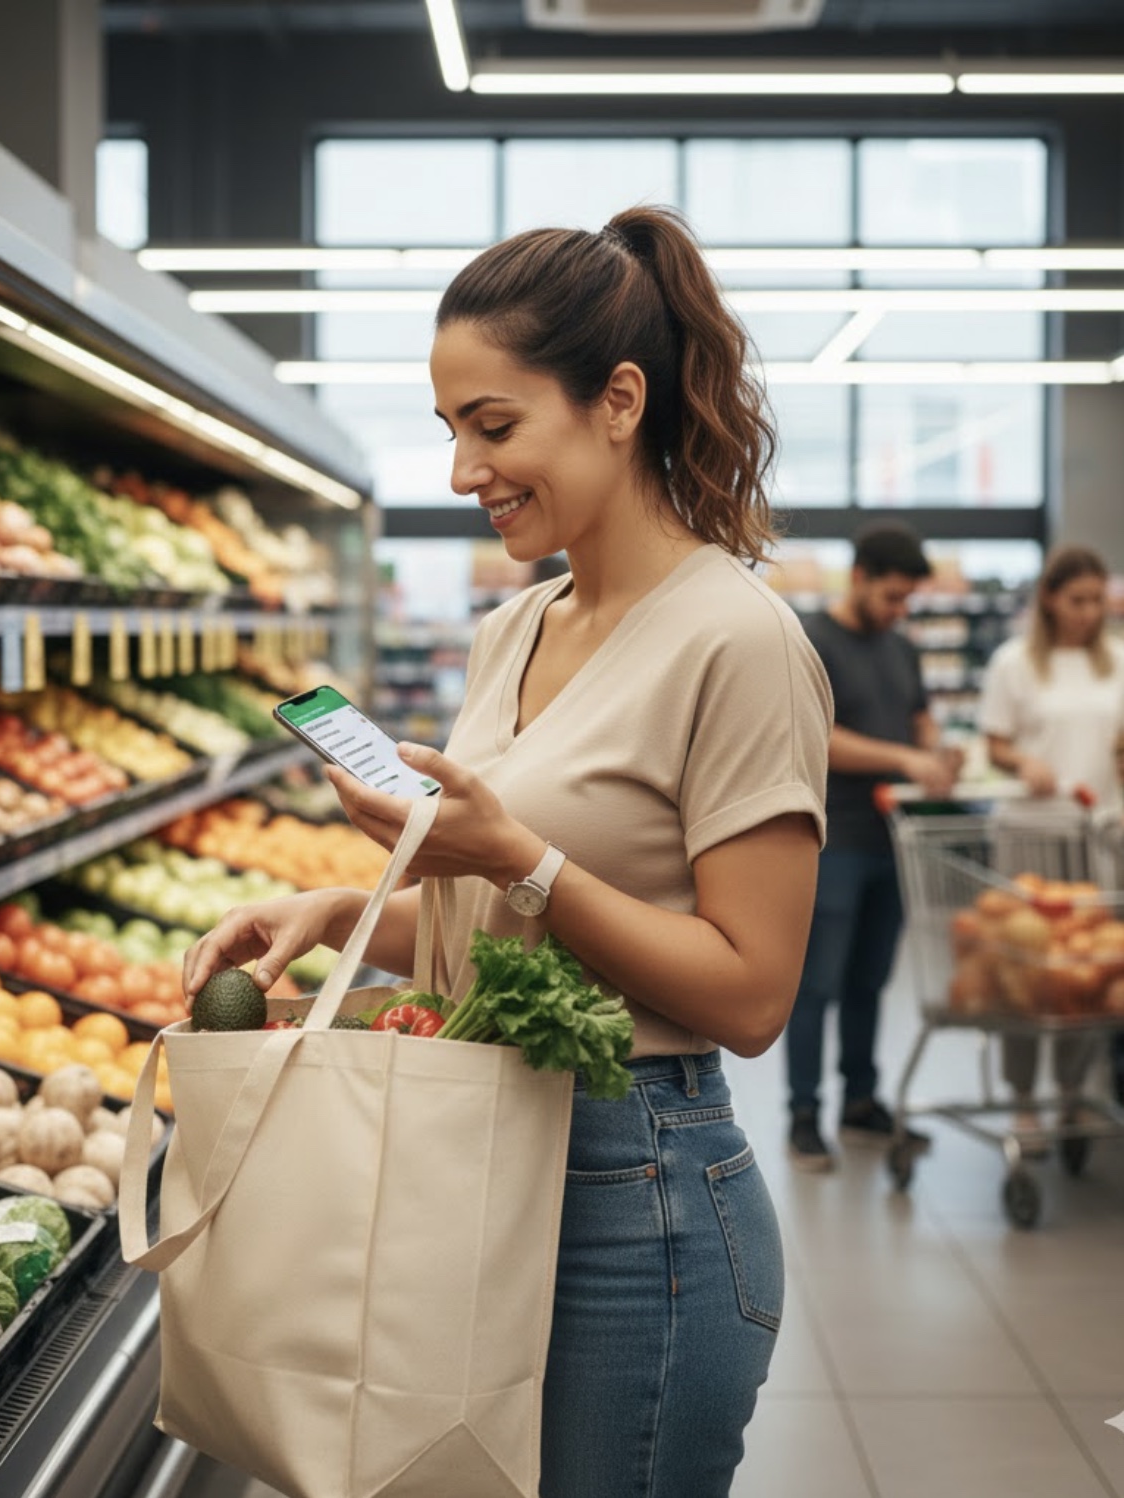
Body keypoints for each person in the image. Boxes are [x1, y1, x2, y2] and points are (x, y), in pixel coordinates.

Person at [184, 206, 832, 1498]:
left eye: (493, 426)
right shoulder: (510, 629)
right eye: (449, 433)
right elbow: (528, 915)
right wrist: (347, 908)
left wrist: (516, 854)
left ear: (617, 401)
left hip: (633, 1191)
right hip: (477, 1158)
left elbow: (749, 994)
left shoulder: (737, 641)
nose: (463, 470)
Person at [785, 523, 959, 1171]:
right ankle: (803, 1113)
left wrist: (937, 748)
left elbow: (917, 714)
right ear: (858, 576)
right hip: (832, 837)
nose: (899, 610)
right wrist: (907, 759)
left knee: (870, 980)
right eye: (891, 596)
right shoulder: (810, 640)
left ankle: (861, 1101)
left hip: (893, 841)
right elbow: (816, 736)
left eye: (907, 599)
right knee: (816, 983)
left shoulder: (902, 647)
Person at [978, 544, 1124, 1138]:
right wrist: (1023, 763)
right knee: (1026, 970)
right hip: (1029, 837)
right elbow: (995, 744)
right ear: (1050, 598)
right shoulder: (1014, 663)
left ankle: (1071, 1089)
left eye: (1097, 601)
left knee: (1086, 969)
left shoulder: (1116, 661)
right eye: (1077, 600)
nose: (1089, 613)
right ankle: (1020, 1095)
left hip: (1097, 836)